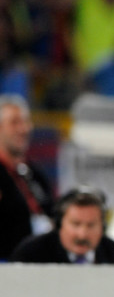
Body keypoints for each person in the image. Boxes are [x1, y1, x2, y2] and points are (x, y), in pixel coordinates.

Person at [0, 95, 55, 261]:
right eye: (14, 122)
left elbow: (52, 212)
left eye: (25, 122)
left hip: (40, 268)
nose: (23, 129)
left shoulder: (36, 173)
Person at [9, 186, 114, 264]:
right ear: (60, 223)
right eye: (75, 224)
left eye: (91, 225)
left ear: (103, 226)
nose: (82, 235)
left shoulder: (112, 251)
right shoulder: (30, 252)